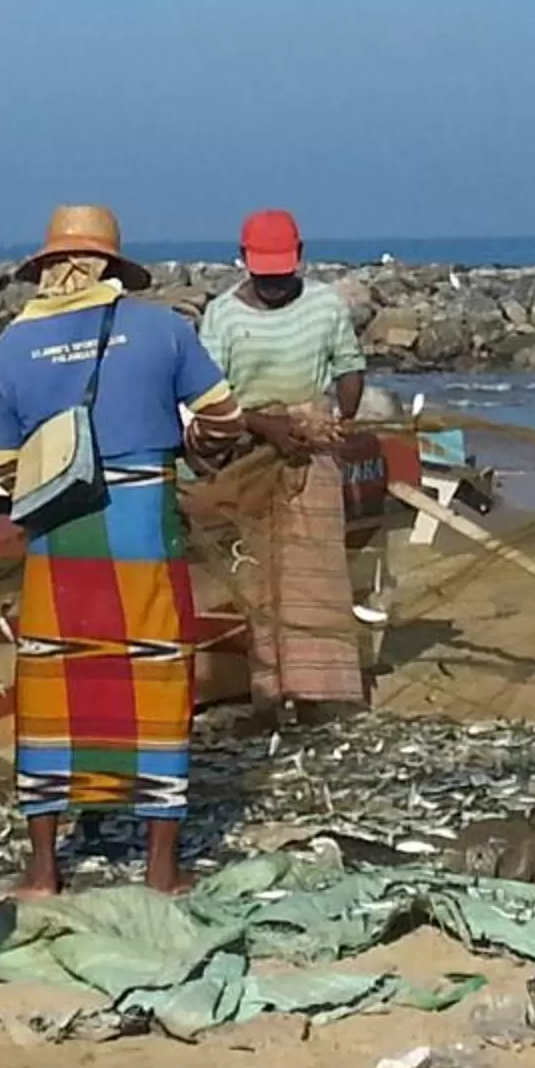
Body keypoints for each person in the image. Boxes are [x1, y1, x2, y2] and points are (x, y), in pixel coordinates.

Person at [0, 204, 242, 896]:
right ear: (113, 268)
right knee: (155, 678)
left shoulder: (9, 348)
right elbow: (223, 416)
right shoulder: (160, 329)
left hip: (59, 535)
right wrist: (198, 449)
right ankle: (160, 867)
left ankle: (43, 868)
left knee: (54, 681)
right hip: (141, 530)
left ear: (45, 267)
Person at [199, 208, 370, 716]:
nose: (273, 285)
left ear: (299, 258)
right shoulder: (223, 316)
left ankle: (321, 695)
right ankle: (269, 696)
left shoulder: (324, 306)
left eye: (281, 272)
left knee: (315, 573)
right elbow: (212, 394)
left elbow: (349, 367)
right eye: (263, 274)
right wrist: (263, 426)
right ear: (244, 262)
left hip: (313, 447)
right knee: (259, 578)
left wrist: (342, 416)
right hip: (249, 452)